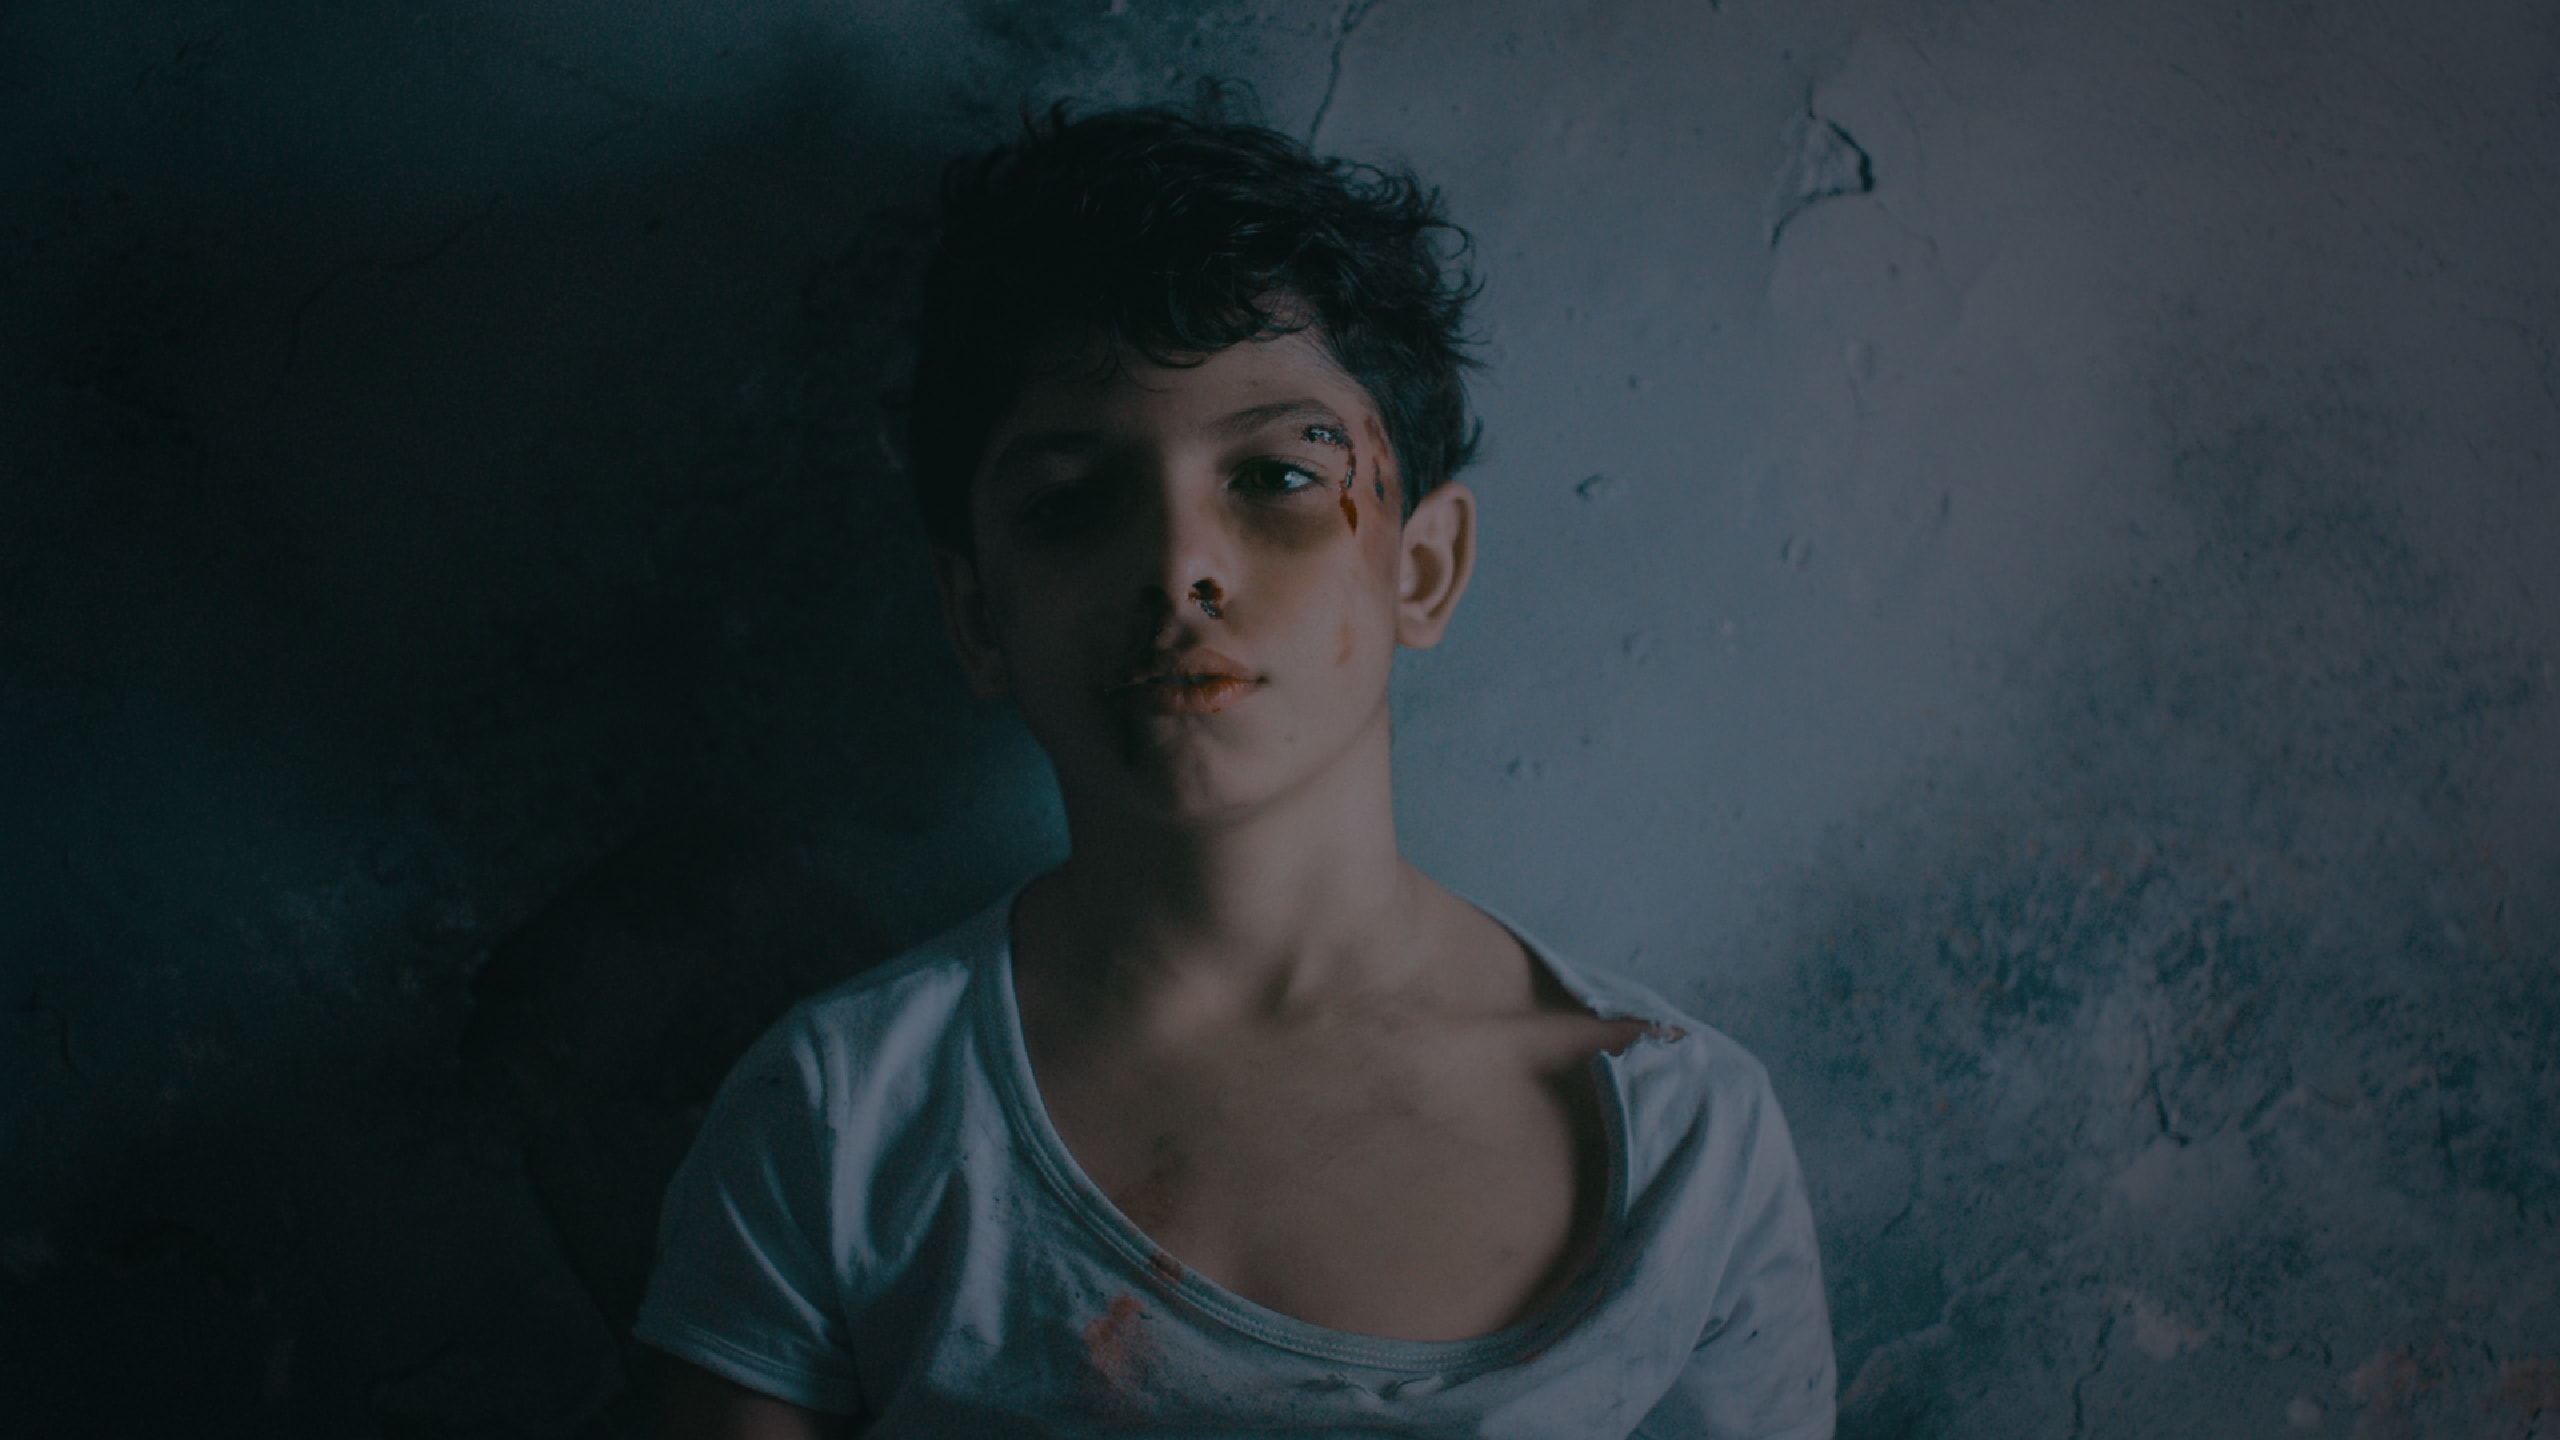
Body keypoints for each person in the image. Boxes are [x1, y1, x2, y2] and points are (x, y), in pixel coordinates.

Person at [633, 94, 1836, 1438]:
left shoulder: (1686, 1135)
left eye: (1275, 477)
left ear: (1423, 566)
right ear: (976, 615)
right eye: (1073, 501)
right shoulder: (840, 1121)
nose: (1178, 567)